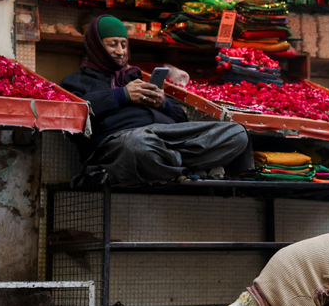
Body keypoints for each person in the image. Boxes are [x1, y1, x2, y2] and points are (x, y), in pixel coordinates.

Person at [60, 15, 253, 183]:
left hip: (168, 138)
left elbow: (181, 120)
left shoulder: (135, 78)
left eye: (124, 44)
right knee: (137, 146)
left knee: (237, 133)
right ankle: (189, 168)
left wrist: (163, 103)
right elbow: (72, 121)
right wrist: (122, 95)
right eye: (112, 44)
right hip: (122, 144)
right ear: (96, 47)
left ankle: (169, 164)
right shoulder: (77, 82)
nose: (120, 51)